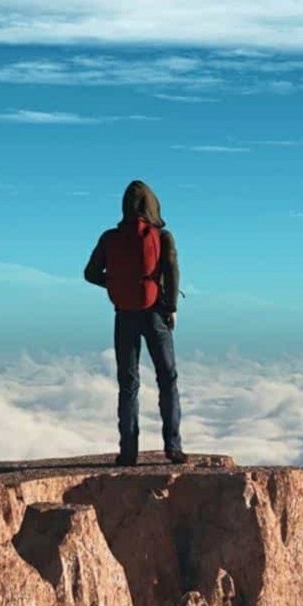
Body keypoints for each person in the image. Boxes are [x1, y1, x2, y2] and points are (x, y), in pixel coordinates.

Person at [84, 179, 187, 466]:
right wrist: (170, 305)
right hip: (156, 313)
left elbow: (90, 273)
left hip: (124, 314)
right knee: (167, 379)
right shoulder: (162, 236)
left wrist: (117, 284)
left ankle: (128, 452)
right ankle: (173, 447)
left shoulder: (110, 237)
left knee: (128, 384)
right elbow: (172, 270)